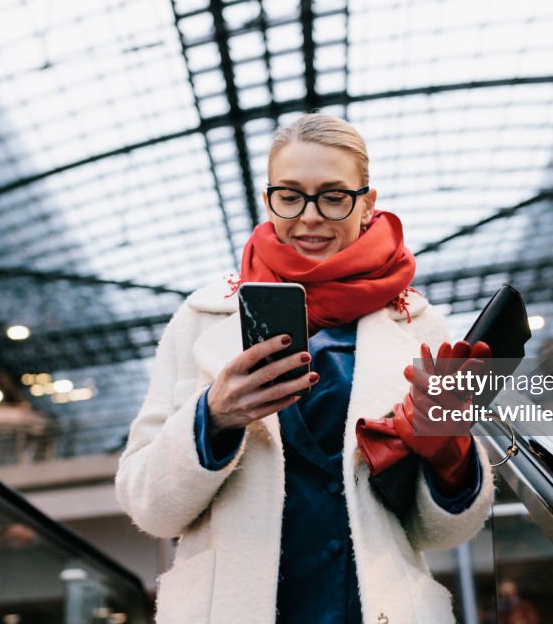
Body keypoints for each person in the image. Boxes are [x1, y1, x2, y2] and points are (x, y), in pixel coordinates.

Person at [116, 113, 494, 623]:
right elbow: (148, 504)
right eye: (289, 196)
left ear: (367, 204)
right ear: (268, 199)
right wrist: (213, 417)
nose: (309, 217)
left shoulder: (420, 325)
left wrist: (451, 457)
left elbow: (442, 534)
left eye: (333, 196)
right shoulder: (203, 318)